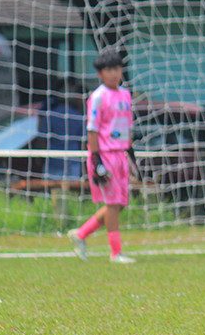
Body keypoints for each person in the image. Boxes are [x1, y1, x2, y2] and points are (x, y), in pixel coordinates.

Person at [67, 51, 137, 264]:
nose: (114, 73)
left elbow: (128, 127)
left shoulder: (125, 94)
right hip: (104, 155)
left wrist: (131, 154)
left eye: (117, 68)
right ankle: (116, 253)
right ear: (99, 73)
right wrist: (96, 159)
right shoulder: (98, 96)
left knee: (119, 203)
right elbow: (93, 129)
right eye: (109, 70)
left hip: (121, 154)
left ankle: (80, 234)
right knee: (113, 204)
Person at [39, 80, 86, 181]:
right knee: (72, 194)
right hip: (73, 161)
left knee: (51, 193)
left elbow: (42, 140)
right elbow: (84, 141)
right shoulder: (78, 117)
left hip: (54, 161)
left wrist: (40, 159)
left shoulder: (50, 115)